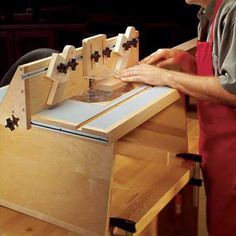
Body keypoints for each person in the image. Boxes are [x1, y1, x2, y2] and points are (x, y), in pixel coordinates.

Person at [117, 0, 236, 235]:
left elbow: (232, 90)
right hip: (218, 148)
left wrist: (166, 78)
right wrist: (184, 60)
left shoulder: (233, 10)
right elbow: (217, 73)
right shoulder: (208, 12)